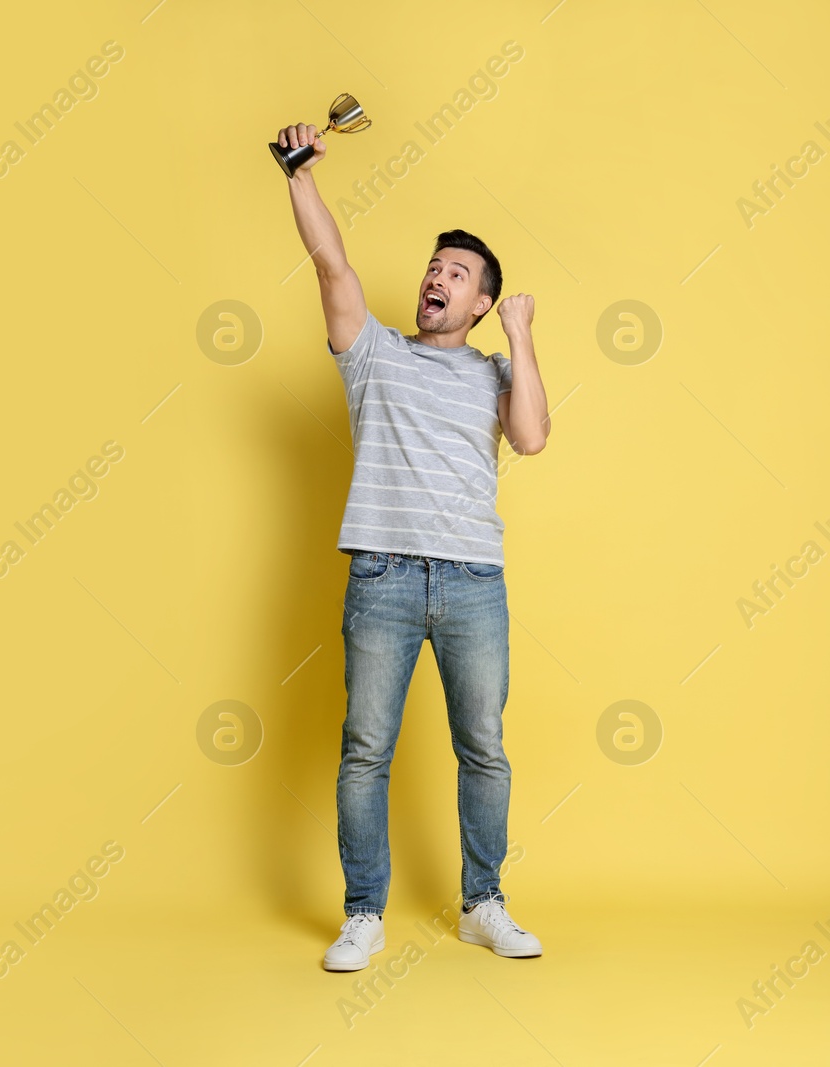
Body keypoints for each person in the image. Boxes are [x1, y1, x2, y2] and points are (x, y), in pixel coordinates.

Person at [274, 122, 553, 971]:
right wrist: (298, 177)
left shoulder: (495, 373)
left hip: (473, 580)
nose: (438, 276)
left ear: (479, 305)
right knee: (366, 748)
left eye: (457, 274)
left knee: (484, 747)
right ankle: (364, 913)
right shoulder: (374, 356)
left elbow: (534, 437)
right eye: (436, 266)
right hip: (383, 575)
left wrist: (523, 333)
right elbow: (332, 265)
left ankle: (483, 902)